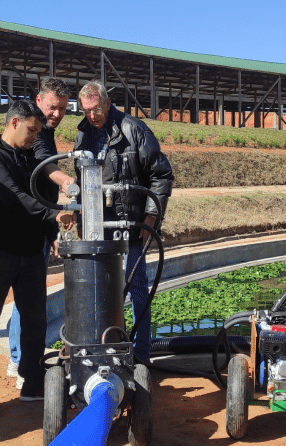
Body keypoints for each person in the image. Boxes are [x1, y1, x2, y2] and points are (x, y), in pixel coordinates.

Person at [0, 101, 69, 420]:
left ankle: (32, 384)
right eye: (32, 130)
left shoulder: (28, 159)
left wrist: (52, 230)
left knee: (36, 322)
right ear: (14, 123)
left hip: (29, 253)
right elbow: (13, 196)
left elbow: (40, 198)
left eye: (39, 132)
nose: (34, 137)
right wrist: (54, 212)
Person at [72, 81, 174, 363]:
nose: (92, 115)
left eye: (96, 109)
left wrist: (152, 216)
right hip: (97, 224)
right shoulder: (83, 136)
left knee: (137, 284)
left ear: (107, 102)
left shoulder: (133, 129)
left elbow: (161, 175)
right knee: (98, 283)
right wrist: (81, 218)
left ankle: (141, 354)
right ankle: (104, 346)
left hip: (133, 224)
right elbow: (80, 181)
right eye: (86, 110)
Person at [6, 78, 77, 382]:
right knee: (27, 298)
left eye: (62, 108)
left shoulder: (44, 131)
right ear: (39, 100)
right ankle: (21, 362)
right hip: (27, 225)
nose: (57, 113)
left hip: (40, 222)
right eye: (52, 106)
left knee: (31, 297)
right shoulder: (36, 132)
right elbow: (44, 164)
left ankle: (19, 360)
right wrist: (67, 181)